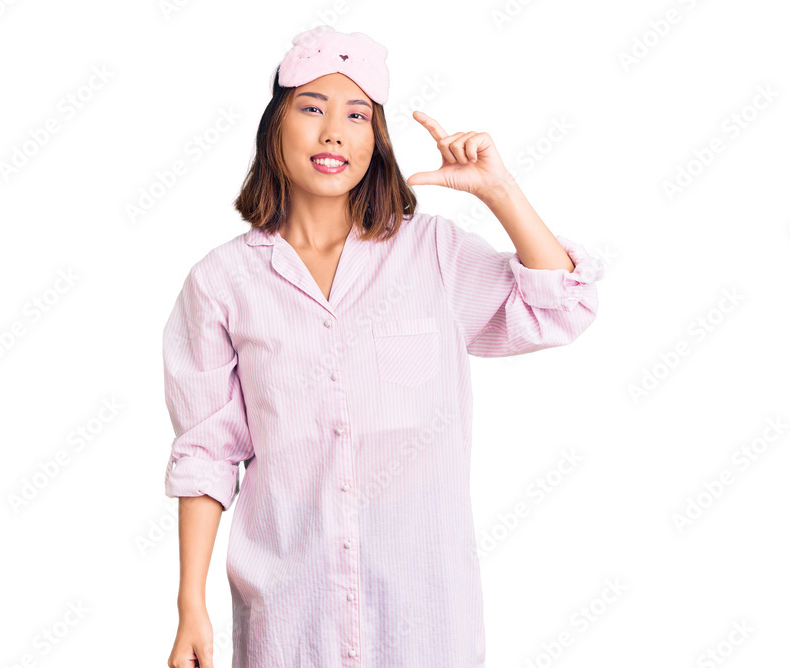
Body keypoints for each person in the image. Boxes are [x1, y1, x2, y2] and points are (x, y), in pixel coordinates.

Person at [163, 25, 605, 668]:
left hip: (424, 619)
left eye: (357, 115)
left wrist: (499, 191)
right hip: (291, 618)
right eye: (312, 109)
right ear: (275, 126)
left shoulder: (434, 254)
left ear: (376, 140)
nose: (333, 133)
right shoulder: (221, 281)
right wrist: (190, 605)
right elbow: (206, 452)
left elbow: (561, 307)